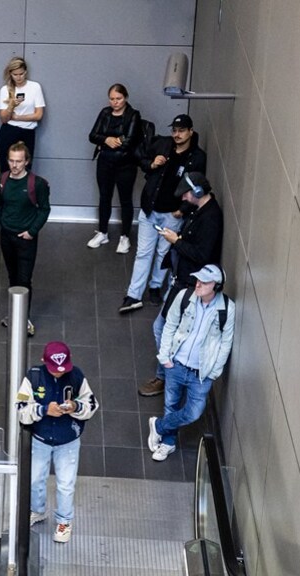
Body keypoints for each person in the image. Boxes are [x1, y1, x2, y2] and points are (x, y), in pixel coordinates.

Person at [140, 172, 224, 397]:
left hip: (187, 285)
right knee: (165, 328)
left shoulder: (210, 218)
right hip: (183, 282)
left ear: (198, 191)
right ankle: (166, 375)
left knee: (163, 328)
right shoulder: (201, 211)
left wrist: (176, 241)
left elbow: (201, 254)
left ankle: (165, 376)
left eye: (186, 193)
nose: (184, 198)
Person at [119, 114, 207, 313]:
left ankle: (155, 287)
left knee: (163, 253)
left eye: (182, 130)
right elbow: (138, 155)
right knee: (143, 253)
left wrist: (182, 210)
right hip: (150, 208)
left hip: (172, 213)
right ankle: (134, 294)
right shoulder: (164, 145)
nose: (177, 134)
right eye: (174, 130)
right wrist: (151, 164)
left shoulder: (197, 157)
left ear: (190, 132)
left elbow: (197, 186)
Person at [148, 265, 234, 462]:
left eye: (205, 282)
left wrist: (214, 371)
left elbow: (225, 342)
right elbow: (169, 325)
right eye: (198, 279)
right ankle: (168, 443)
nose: (199, 284)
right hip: (176, 363)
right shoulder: (185, 296)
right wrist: (165, 357)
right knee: (171, 404)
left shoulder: (227, 309)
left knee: (194, 411)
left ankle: (158, 426)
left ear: (217, 286)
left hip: (202, 372)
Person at [16, 341, 99, 544]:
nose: (58, 374)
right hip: (40, 439)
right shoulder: (33, 376)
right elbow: (20, 409)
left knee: (65, 483)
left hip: (68, 441)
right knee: (35, 479)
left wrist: (76, 406)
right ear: (44, 361)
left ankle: (64, 520)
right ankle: (37, 510)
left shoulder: (77, 376)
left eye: (63, 370)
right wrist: (44, 410)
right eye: (54, 370)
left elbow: (92, 404)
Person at [0, 143, 50, 336]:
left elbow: (45, 209)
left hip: (26, 239)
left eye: (19, 161)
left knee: (24, 279)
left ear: (26, 161)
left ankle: (24, 319)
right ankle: (15, 314)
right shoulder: (1, 180)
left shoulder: (37, 184)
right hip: (7, 236)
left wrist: (32, 231)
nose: (14, 165)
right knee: (13, 278)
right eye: (11, 160)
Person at [86, 83, 141, 254]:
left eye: (119, 98)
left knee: (125, 199)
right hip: (105, 162)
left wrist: (109, 142)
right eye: (112, 99)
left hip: (126, 164)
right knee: (104, 197)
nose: (115, 102)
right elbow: (92, 135)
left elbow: (130, 140)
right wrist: (107, 140)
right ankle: (103, 232)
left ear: (125, 98)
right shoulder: (105, 113)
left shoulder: (133, 115)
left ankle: (125, 236)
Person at [0, 57, 45, 173]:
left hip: (28, 131)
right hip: (9, 130)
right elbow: (4, 119)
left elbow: (38, 115)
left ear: (26, 72)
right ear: (10, 74)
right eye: (15, 74)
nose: (18, 77)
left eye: (21, 74)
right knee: (6, 168)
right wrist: (11, 106)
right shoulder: (5, 90)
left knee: (25, 169)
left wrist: (17, 117)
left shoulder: (35, 87)